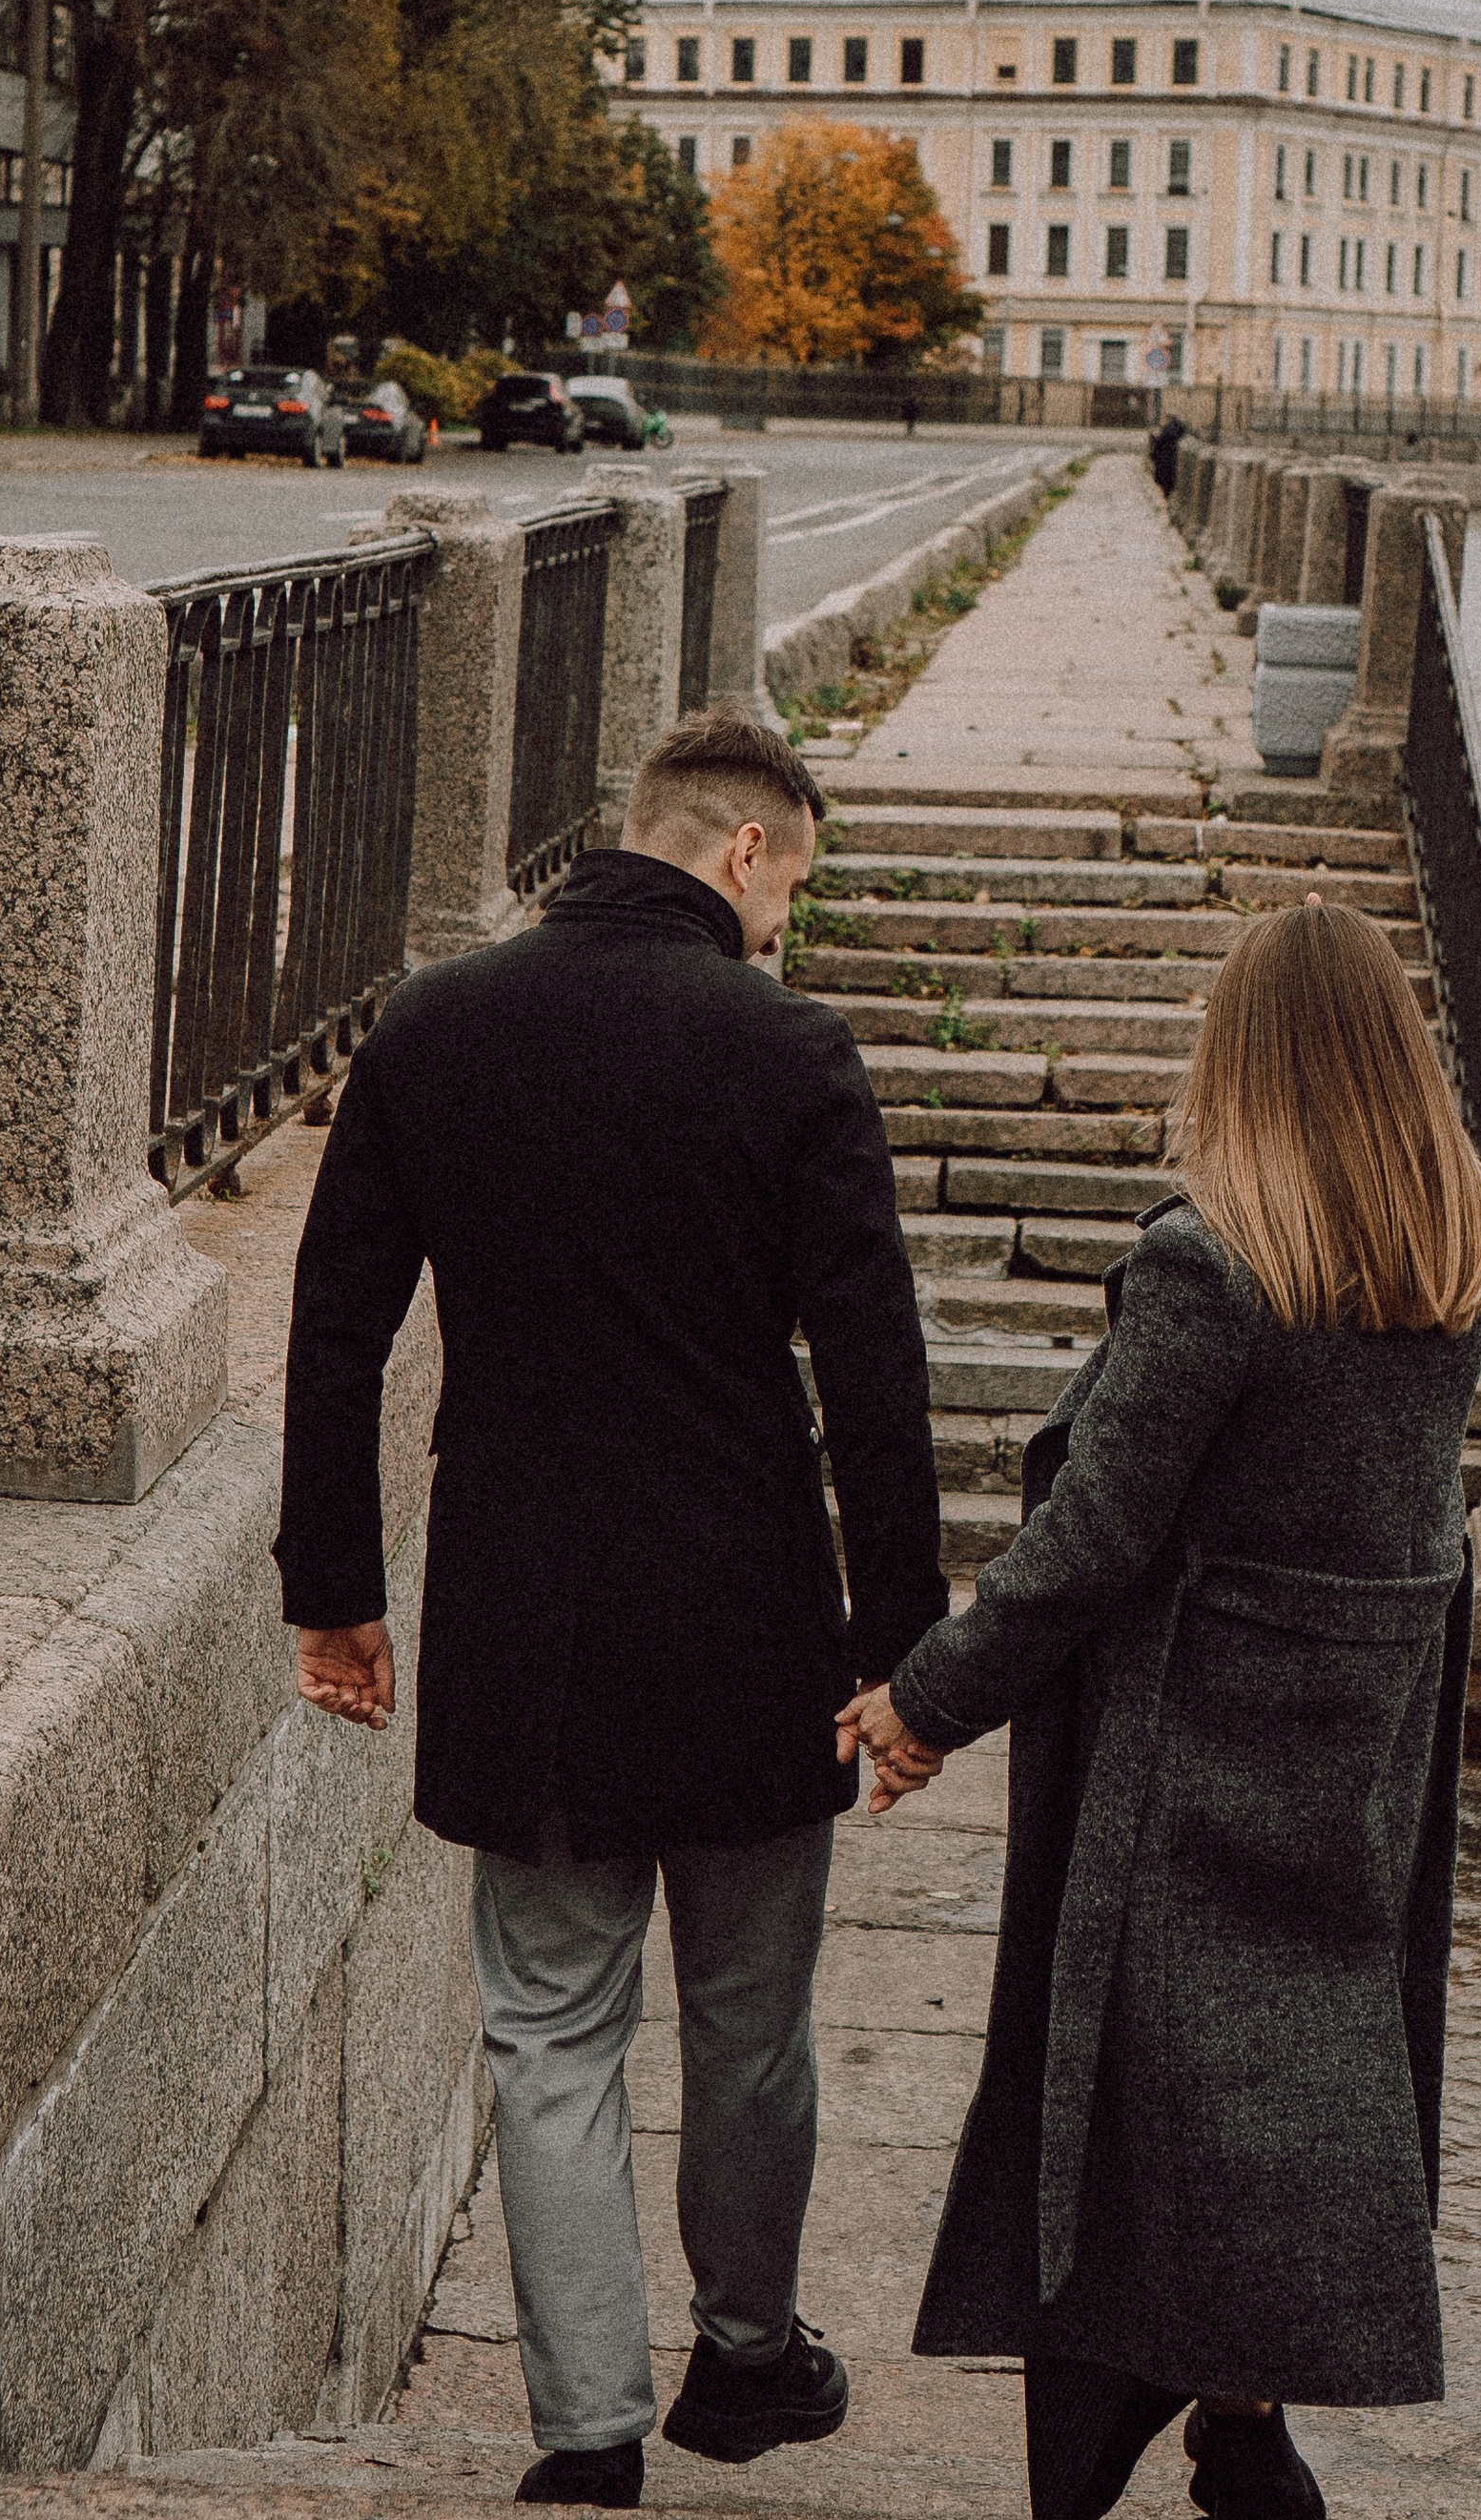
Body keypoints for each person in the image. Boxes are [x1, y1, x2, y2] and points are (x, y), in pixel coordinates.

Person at [275, 707, 947, 2511]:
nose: (786, 923)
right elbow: (876, 1379)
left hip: (523, 1619)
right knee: (752, 2021)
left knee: (549, 2022)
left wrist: (335, 1593)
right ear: (741, 855)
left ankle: (583, 2436)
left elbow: (337, 1330)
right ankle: (746, 2367)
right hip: (746, 1623)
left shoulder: (436, 1025)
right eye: (790, 886)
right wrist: (907, 1651)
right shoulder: (792, 1047)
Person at [845, 899, 1481, 2520]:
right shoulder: (1465, 1236)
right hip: (1356, 1742)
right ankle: (1249, 2419)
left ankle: (1099, 2456)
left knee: (1119, 2099)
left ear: (1243, 1056)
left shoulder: (1210, 1265)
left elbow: (1092, 1541)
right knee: (1302, 2073)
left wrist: (927, 1702)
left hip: (1186, 1743)